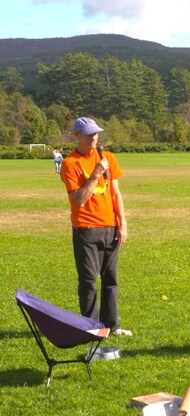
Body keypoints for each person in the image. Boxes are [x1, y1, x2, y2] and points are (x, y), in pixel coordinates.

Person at [60, 117, 131, 336]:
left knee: (111, 279)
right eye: (89, 134)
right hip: (86, 229)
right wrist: (96, 174)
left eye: (96, 133)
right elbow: (79, 199)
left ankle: (112, 326)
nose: (94, 138)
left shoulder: (108, 157)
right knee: (89, 281)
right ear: (77, 136)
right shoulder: (70, 163)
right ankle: (92, 329)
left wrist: (123, 222)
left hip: (110, 227)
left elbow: (115, 193)